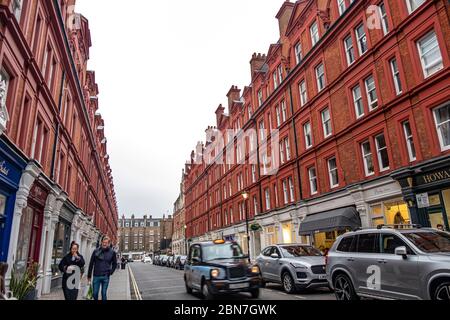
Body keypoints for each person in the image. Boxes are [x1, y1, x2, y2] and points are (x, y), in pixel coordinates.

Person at [87, 236, 117, 301]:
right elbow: (91, 263)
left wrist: (111, 272)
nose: (104, 244)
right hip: (96, 276)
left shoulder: (112, 252)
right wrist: (89, 276)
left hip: (105, 276)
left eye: (106, 243)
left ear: (109, 244)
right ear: (101, 242)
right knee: (95, 293)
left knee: (103, 294)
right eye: (103, 242)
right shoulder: (96, 251)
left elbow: (115, 264)